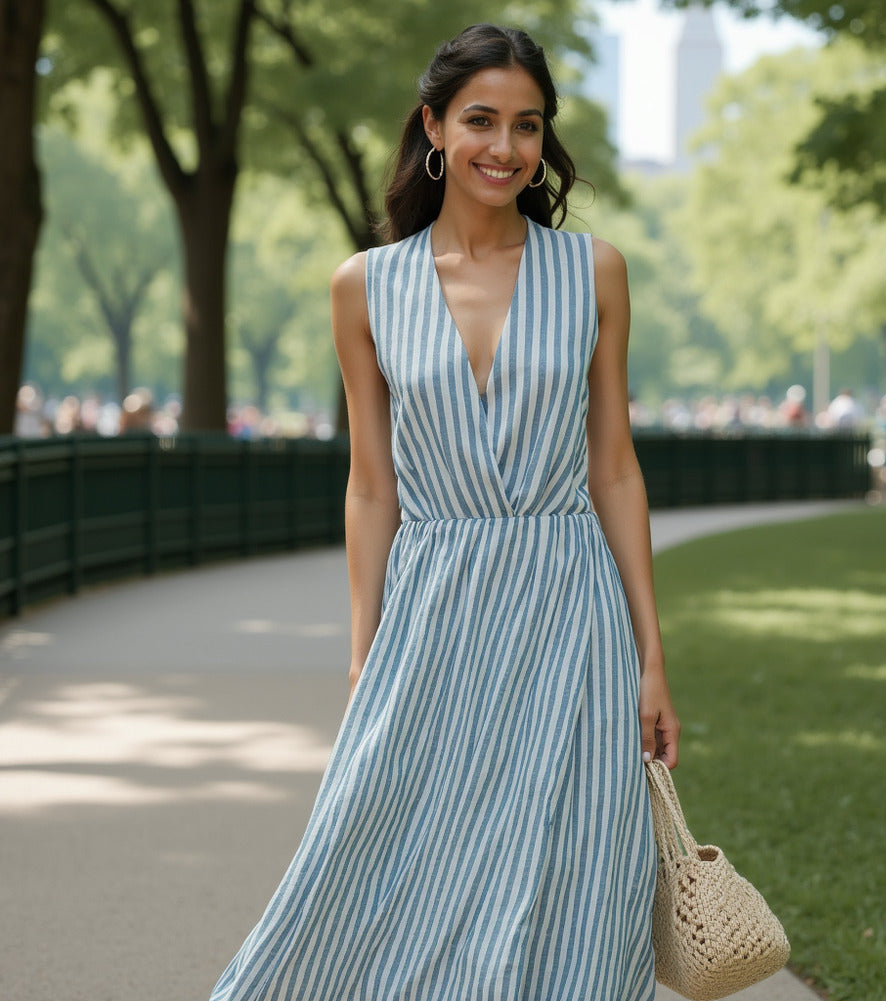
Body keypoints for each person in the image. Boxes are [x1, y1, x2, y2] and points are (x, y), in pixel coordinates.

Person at [208, 23, 680, 1001]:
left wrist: (650, 656)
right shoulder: (363, 287)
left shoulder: (594, 272)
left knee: (570, 861)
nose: (502, 148)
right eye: (479, 120)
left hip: (567, 604)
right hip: (430, 610)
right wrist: (359, 647)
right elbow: (371, 484)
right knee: (378, 848)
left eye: (526, 126)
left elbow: (614, 470)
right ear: (432, 125)